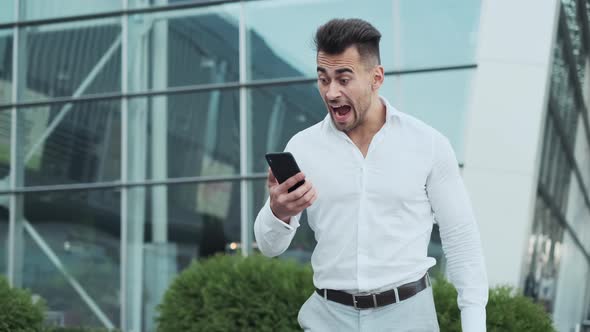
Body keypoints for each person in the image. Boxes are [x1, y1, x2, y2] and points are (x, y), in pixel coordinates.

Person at [254, 18, 488, 332]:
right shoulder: (303, 147)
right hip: (328, 318)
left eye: (343, 78)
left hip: (408, 318)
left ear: (376, 78)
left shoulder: (428, 145)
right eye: (323, 79)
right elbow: (269, 247)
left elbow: (462, 241)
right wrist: (278, 211)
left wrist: (475, 326)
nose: (331, 92)